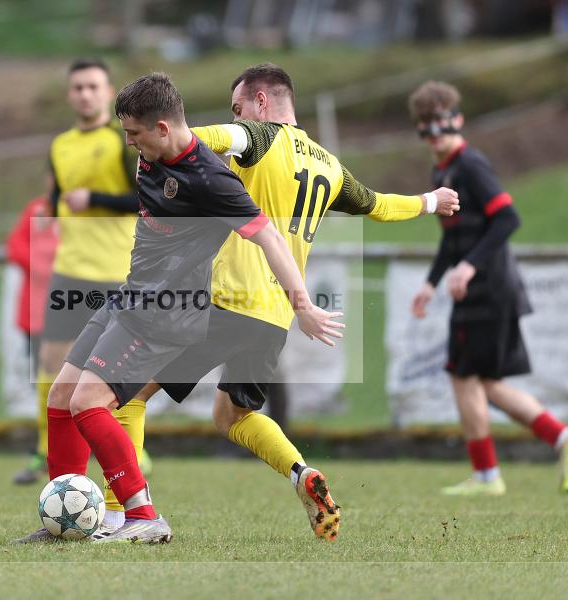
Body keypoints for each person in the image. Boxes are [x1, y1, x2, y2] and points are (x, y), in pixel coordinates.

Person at [102, 63, 460, 542]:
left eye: (238, 107)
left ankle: (120, 516)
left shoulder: (258, 136)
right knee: (232, 416)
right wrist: (431, 202)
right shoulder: (330, 166)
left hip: (223, 301)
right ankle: (302, 474)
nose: (237, 116)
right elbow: (377, 204)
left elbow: (195, 137)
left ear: (262, 102)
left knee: (124, 396)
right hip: (273, 317)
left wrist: (162, 145)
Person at [14, 72, 343, 545]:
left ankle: (143, 515)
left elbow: (270, 236)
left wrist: (304, 305)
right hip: (129, 297)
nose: (128, 144)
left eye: (134, 134)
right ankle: (64, 519)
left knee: (91, 403)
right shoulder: (155, 155)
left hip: (164, 313)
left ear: (163, 128)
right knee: (61, 398)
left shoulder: (211, 180)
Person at [408, 80, 568, 495]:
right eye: (425, 126)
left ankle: (488, 476)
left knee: (462, 376)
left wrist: (469, 268)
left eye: (439, 124)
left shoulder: (470, 164)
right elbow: (453, 238)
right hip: (479, 290)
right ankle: (564, 438)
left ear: (456, 121)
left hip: (487, 290)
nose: (433, 134)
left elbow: (507, 218)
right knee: (483, 382)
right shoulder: (441, 170)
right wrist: (431, 282)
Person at [13, 58, 142, 487]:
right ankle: (43, 449)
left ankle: (131, 450)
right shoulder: (61, 145)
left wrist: (98, 199)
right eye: (78, 87)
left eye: (93, 86)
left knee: (111, 370)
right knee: (50, 361)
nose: (85, 94)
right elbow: (57, 194)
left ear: (108, 93)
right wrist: (50, 209)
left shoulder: (124, 142)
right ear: (70, 95)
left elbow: (147, 198)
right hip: (69, 269)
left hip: (114, 271)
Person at [1, 196, 59, 417]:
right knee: (41, 377)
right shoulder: (38, 209)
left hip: (73, 310)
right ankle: (45, 441)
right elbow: (15, 246)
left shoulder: (85, 213)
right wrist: (42, 266)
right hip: (36, 314)